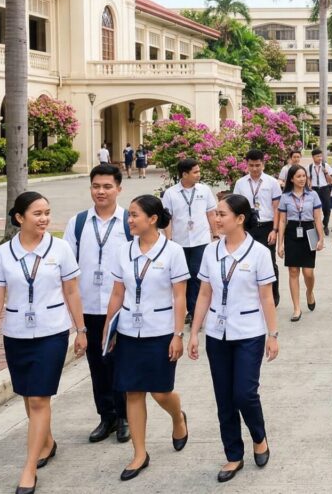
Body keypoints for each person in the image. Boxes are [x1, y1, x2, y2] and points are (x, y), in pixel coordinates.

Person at [0, 191, 88, 494]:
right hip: (16, 334)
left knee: (40, 398)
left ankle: (28, 470)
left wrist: (80, 330)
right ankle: (48, 441)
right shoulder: (4, 253)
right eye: (37, 214)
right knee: (29, 397)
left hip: (51, 333)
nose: (44, 219)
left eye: (47, 213)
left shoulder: (61, 248)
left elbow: (71, 292)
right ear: (19, 218)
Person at [188, 194, 280, 483]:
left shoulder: (259, 253)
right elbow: (204, 293)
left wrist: (272, 335)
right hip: (217, 333)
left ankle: (259, 436)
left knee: (244, 393)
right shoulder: (211, 251)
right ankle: (233, 455)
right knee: (224, 397)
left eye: (222, 214)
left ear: (239, 219)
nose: (216, 219)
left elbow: (267, 297)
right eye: (216, 214)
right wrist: (193, 332)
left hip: (249, 333)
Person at [102, 195, 190, 481]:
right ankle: (139, 453)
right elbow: (117, 293)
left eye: (134, 215)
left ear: (152, 219)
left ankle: (178, 417)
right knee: (133, 391)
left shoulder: (173, 252)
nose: (129, 220)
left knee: (161, 391)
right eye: (129, 215)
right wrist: (108, 330)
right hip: (128, 330)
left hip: (161, 331)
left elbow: (180, 297)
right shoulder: (122, 251)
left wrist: (178, 334)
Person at [64, 164, 131, 444]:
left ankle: (126, 416)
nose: (101, 191)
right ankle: (107, 416)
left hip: (122, 309)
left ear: (118, 188)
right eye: (96, 186)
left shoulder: (130, 221)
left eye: (107, 186)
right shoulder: (77, 222)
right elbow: (67, 269)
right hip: (89, 307)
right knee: (97, 364)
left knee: (120, 363)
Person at [162, 159, 217, 323]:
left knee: (197, 276)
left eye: (199, 171)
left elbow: (211, 214)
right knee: (181, 277)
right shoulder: (171, 193)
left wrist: (215, 235)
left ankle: (194, 312)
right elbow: (168, 219)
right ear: (184, 174)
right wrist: (169, 239)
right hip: (179, 243)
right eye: (195, 172)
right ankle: (187, 309)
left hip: (201, 241)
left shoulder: (204, 190)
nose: (199, 174)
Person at [231, 149, 282, 306]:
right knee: (245, 262)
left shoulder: (272, 183)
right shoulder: (240, 183)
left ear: (263, 164)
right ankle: (251, 296)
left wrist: (275, 230)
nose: (254, 169)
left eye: (258, 165)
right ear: (247, 165)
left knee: (269, 262)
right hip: (247, 228)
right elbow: (235, 208)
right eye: (251, 165)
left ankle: (273, 296)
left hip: (266, 227)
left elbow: (276, 209)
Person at [276, 164, 325, 322]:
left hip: (309, 231)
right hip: (291, 232)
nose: (302, 179)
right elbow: (282, 221)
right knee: (293, 272)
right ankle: (297, 308)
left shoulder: (313, 195)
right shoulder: (285, 197)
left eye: (304, 176)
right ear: (291, 178)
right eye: (298, 176)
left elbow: (318, 218)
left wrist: (321, 238)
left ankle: (309, 292)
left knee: (308, 272)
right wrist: (280, 243)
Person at [307, 148, 332, 231]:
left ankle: (325, 225)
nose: (320, 158)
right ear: (313, 157)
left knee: (327, 208)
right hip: (314, 189)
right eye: (317, 156)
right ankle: (315, 225)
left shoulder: (326, 166)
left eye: (321, 156)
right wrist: (309, 186)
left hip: (324, 188)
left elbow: (330, 181)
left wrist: (326, 172)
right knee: (314, 208)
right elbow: (308, 178)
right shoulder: (310, 167)